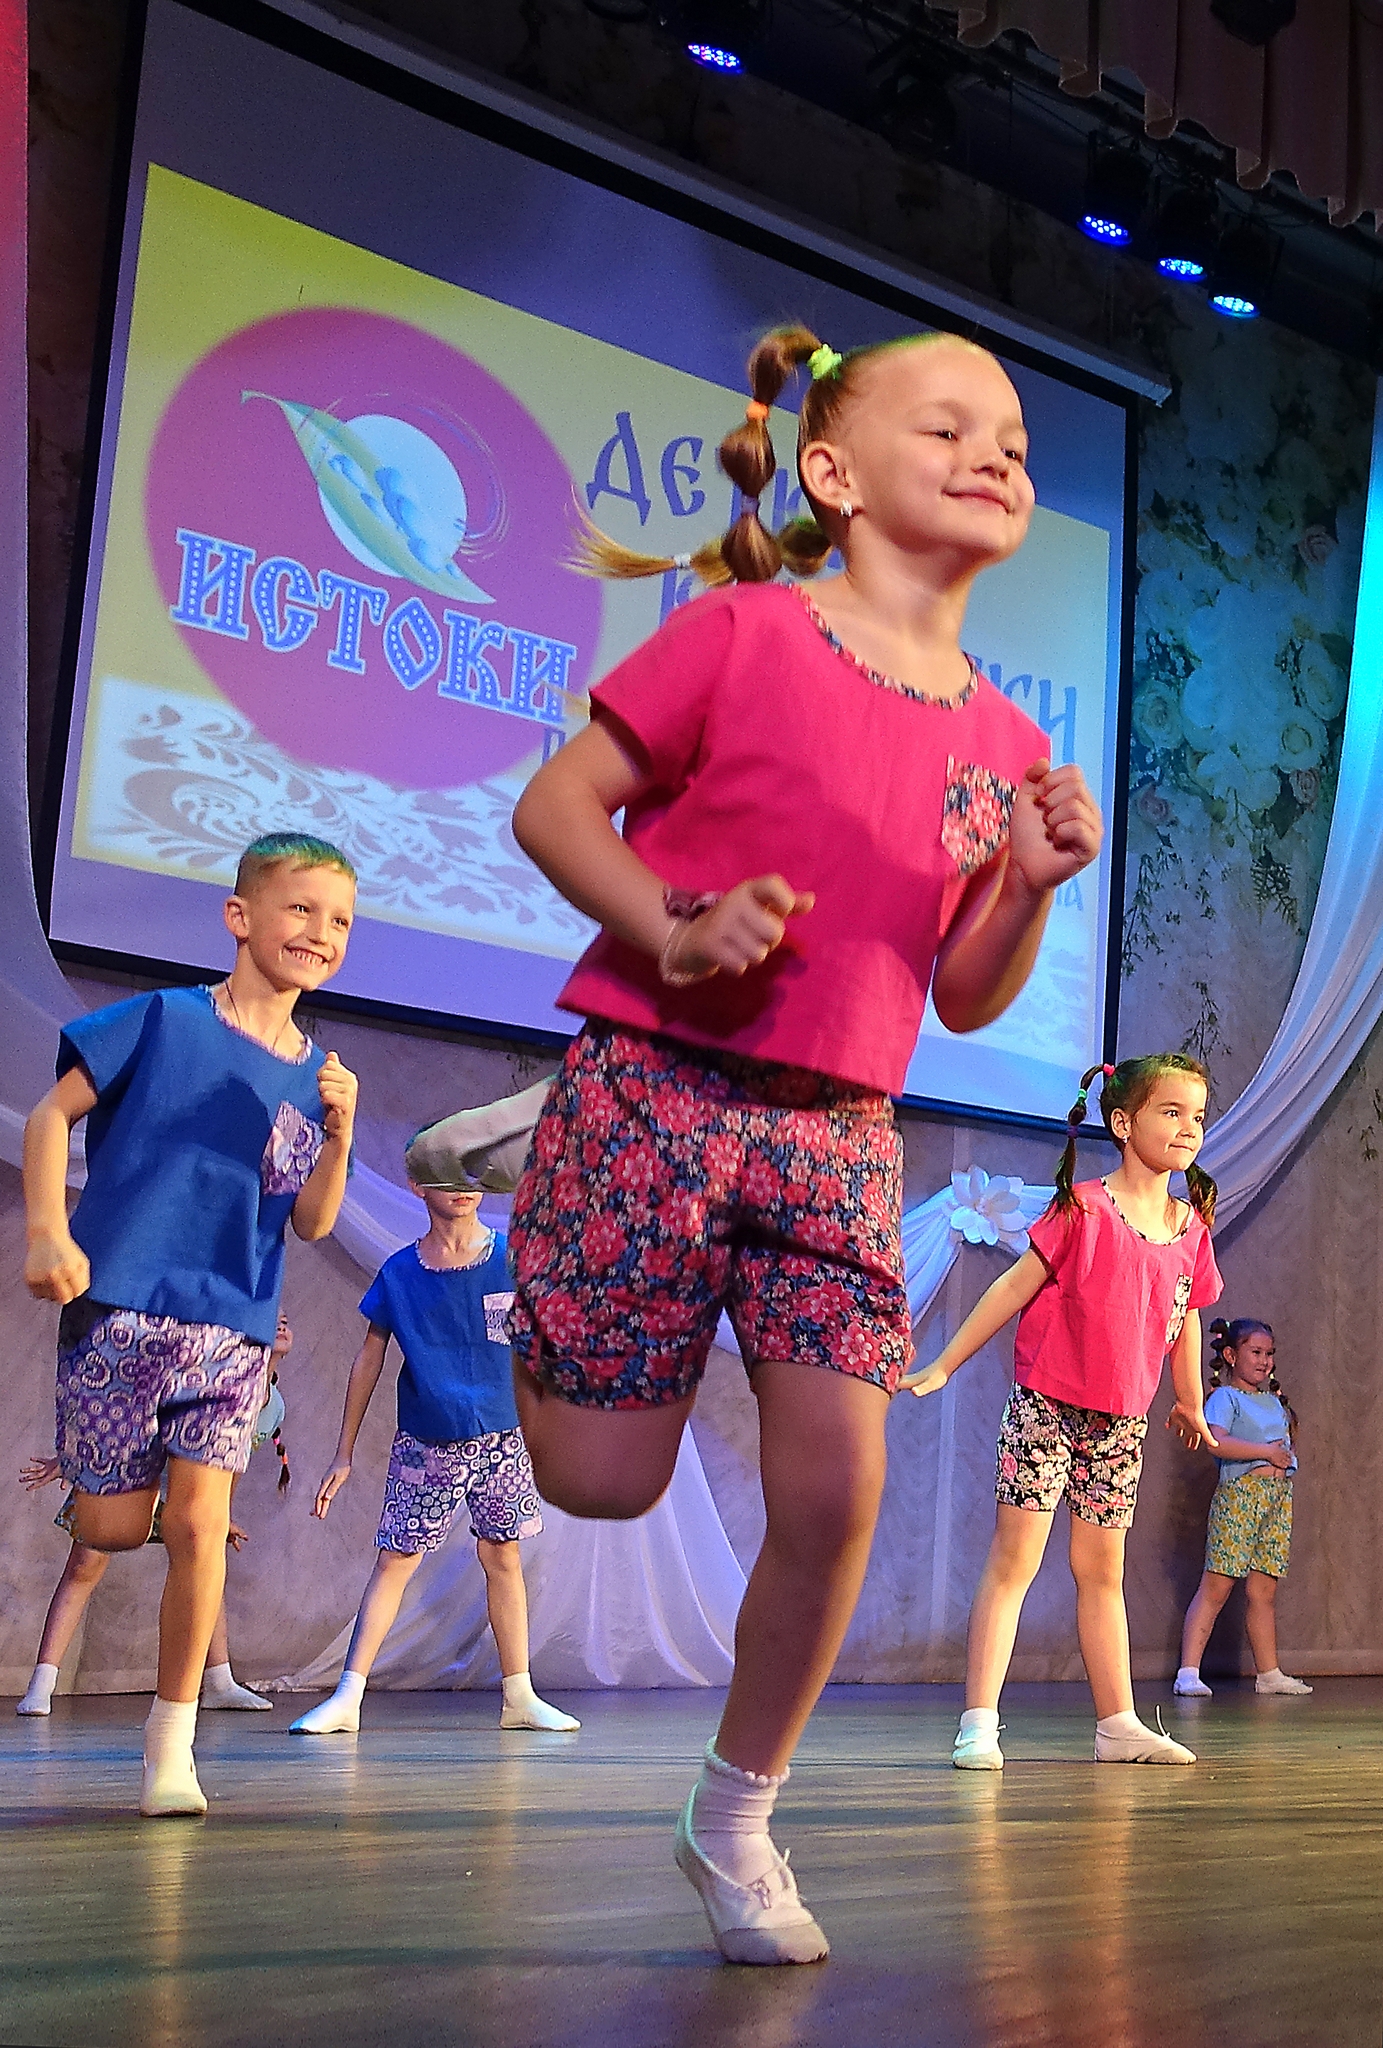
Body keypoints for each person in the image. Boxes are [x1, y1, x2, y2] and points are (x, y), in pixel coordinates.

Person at [493, 324, 1103, 1964]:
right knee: (597, 1484)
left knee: (837, 1486)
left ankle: (735, 1813)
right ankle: (542, 1256)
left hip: (837, 1134)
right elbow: (555, 807)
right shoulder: (743, 630)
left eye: (1012, 441)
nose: (992, 456)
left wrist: (1027, 885)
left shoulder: (1005, 739)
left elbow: (958, 992)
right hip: (652, 1084)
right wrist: (672, 926)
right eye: (945, 428)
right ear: (828, 472)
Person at [21, 833, 358, 1815]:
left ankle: (171, 1746)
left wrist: (339, 1133)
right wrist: (48, 1230)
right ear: (240, 916)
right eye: (301, 908)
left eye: (340, 919)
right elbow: (47, 1117)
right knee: (111, 1525)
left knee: (202, 1525)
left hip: (233, 1326)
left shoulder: (318, 1075)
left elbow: (312, 1220)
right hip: (118, 1309)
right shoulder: (162, 1019)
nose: (321, 931)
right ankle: (146, 1499)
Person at [904, 1054, 1222, 1771]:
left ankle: (1117, 1723)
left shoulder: (1189, 1227)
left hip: (1120, 1423)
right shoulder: (1083, 1207)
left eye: (1197, 1116)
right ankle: (978, 1722)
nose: (1187, 1128)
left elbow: (1186, 1315)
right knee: (1014, 1559)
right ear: (1123, 1122)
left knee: (1101, 1571)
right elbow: (1012, 1288)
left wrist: (1189, 1398)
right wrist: (945, 1363)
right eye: (1171, 1112)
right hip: (1046, 1408)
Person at [290, 1165, 578, 1738]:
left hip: (503, 1435)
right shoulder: (401, 1272)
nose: (463, 1189)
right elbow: (368, 1358)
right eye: (446, 1177)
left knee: (504, 1556)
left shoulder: (513, 1257)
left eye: (471, 1175)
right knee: (396, 1559)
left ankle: (519, 1694)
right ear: (419, 1186)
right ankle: (348, 1695)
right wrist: (344, 1451)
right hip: (428, 1441)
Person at [15, 1316, 296, 1717]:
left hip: (185, 1492)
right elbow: (134, 1415)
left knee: (204, 1560)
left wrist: (220, 1517)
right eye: (273, 1318)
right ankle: (42, 1683)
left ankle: (219, 1682)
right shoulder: (205, 1372)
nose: (281, 1322)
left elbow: (227, 1464)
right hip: (134, 1476)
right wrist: (81, 1461)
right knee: (85, 1564)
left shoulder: (272, 1406)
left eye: (286, 1319)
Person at [1175, 1317, 1311, 1699]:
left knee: (1263, 1590)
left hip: (1275, 1501)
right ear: (1232, 1355)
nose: (1264, 1360)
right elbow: (1216, 1442)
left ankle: (1268, 1672)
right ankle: (1188, 1671)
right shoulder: (1224, 1398)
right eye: (1255, 1352)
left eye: (1269, 1353)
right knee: (1217, 1586)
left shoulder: (1272, 1401)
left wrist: (1282, 1460)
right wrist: (1266, 1453)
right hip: (1240, 1499)